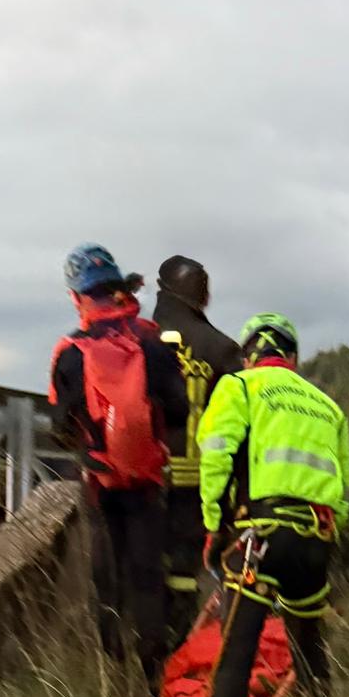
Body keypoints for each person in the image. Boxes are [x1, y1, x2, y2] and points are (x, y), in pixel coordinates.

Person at [186, 313, 349, 697]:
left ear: (249, 353)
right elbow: (342, 489)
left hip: (261, 537)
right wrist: (328, 534)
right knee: (309, 646)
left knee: (236, 653)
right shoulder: (326, 406)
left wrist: (214, 526)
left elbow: (214, 455)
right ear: (293, 358)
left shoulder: (240, 387)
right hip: (315, 538)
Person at [49, 244, 188, 695]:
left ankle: (114, 674)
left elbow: (58, 426)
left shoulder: (70, 352)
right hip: (147, 481)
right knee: (148, 573)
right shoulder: (152, 342)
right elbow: (180, 411)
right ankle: (154, 677)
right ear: (118, 286)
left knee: (107, 578)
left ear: (77, 296)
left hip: (100, 482)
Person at [151, 257, 242, 647]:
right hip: (200, 480)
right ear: (202, 295)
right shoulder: (221, 348)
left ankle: (141, 650)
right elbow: (241, 422)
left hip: (144, 476)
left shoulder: (139, 340)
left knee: (145, 564)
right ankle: (184, 641)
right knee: (187, 568)